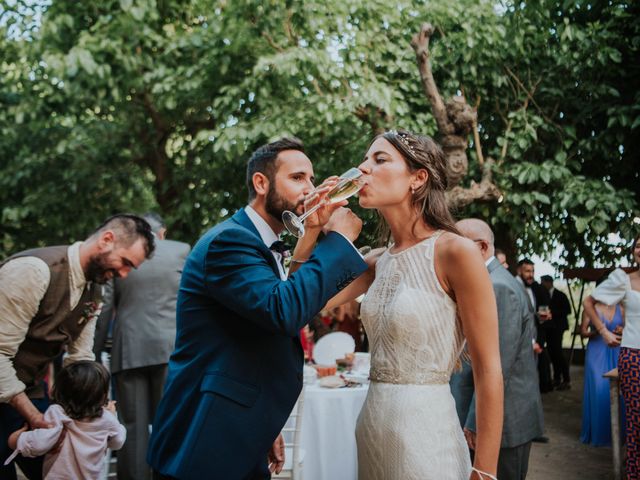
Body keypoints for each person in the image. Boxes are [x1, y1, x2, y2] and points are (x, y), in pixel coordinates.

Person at [147, 137, 368, 480]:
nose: (310, 188)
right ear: (261, 183)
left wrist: (310, 233)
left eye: (311, 178)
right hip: (206, 437)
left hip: (242, 424)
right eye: (297, 178)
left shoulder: (261, 243)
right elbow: (284, 311)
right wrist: (338, 241)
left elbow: (284, 301)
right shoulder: (229, 242)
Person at [321, 130, 503, 479]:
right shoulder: (376, 262)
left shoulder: (456, 252)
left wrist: (486, 470)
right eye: (364, 159)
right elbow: (305, 302)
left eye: (379, 159)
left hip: (426, 436)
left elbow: (488, 370)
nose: (362, 168)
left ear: (418, 178)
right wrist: (316, 230)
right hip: (372, 429)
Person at [0, 214, 154, 480]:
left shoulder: (95, 290)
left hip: (29, 385)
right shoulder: (34, 271)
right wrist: (35, 417)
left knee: (59, 464)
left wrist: (93, 411)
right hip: (7, 382)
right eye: (125, 263)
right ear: (107, 240)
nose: (124, 274)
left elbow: (80, 357)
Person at [94, 213, 190, 480]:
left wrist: (93, 356)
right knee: (169, 425)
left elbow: (103, 313)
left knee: (132, 428)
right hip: (170, 350)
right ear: (163, 232)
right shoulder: (182, 250)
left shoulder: (123, 251)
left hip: (129, 350)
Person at [452, 219, 544, 479]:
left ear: (481, 248)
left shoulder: (497, 287)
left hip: (503, 421)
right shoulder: (488, 281)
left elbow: (496, 364)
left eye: (457, 244)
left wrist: (474, 422)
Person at [5, 361, 126, 479]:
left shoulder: (58, 413)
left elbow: (41, 443)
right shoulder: (106, 419)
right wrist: (113, 415)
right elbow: (117, 442)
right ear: (102, 395)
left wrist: (16, 440)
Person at [583, 233, 640, 476]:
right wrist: (603, 331)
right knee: (636, 425)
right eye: (638, 245)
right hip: (633, 356)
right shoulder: (623, 280)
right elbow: (589, 302)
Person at [579, 297, 624, 446]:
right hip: (596, 350)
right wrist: (597, 332)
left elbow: (632, 329)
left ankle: (619, 435)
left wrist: (622, 330)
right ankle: (599, 434)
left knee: (620, 391)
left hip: (617, 350)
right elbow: (583, 332)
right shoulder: (590, 308)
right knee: (599, 389)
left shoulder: (622, 308)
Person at [516, 258, 554, 393]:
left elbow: (531, 315)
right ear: (519, 270)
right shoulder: (514, 287)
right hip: (522, 341)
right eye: (527, 271)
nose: (530, 274)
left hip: (534, 337)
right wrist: (531, 342)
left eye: (532, 271)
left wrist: (541, 317)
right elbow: (516, 318)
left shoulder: (533, 289)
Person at [540, 274, 572, 390]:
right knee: (552, 353)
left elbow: (568, 310)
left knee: (558, 352)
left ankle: (566, 378)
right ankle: (557, 378)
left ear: (548, 283)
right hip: (549, 328)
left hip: (558, 328)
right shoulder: (543, 295)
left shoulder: (560, 295)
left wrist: (553, 313)